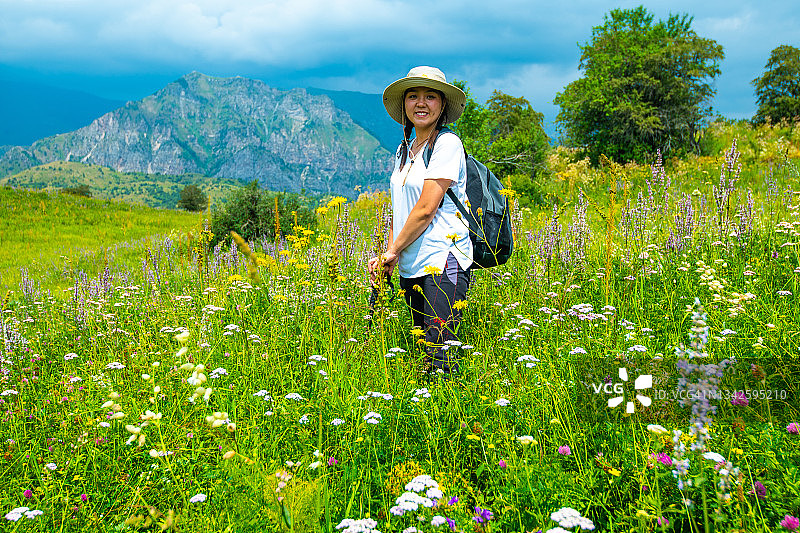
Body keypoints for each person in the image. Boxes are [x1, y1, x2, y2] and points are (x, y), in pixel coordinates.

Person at [368, 66, 473, 375]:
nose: (421, 103)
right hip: (412, 262)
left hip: (444, 259)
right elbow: (402, 209)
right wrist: (389, 254)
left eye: (430, 96)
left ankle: (449, 415)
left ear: (442, 105)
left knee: (440, 354)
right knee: (422, 349)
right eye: (413, 96)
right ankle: (430, 411)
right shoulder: (405, 150)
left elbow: (427, 208)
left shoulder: (447, 144)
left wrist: (393, 250)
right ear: (405, 105)